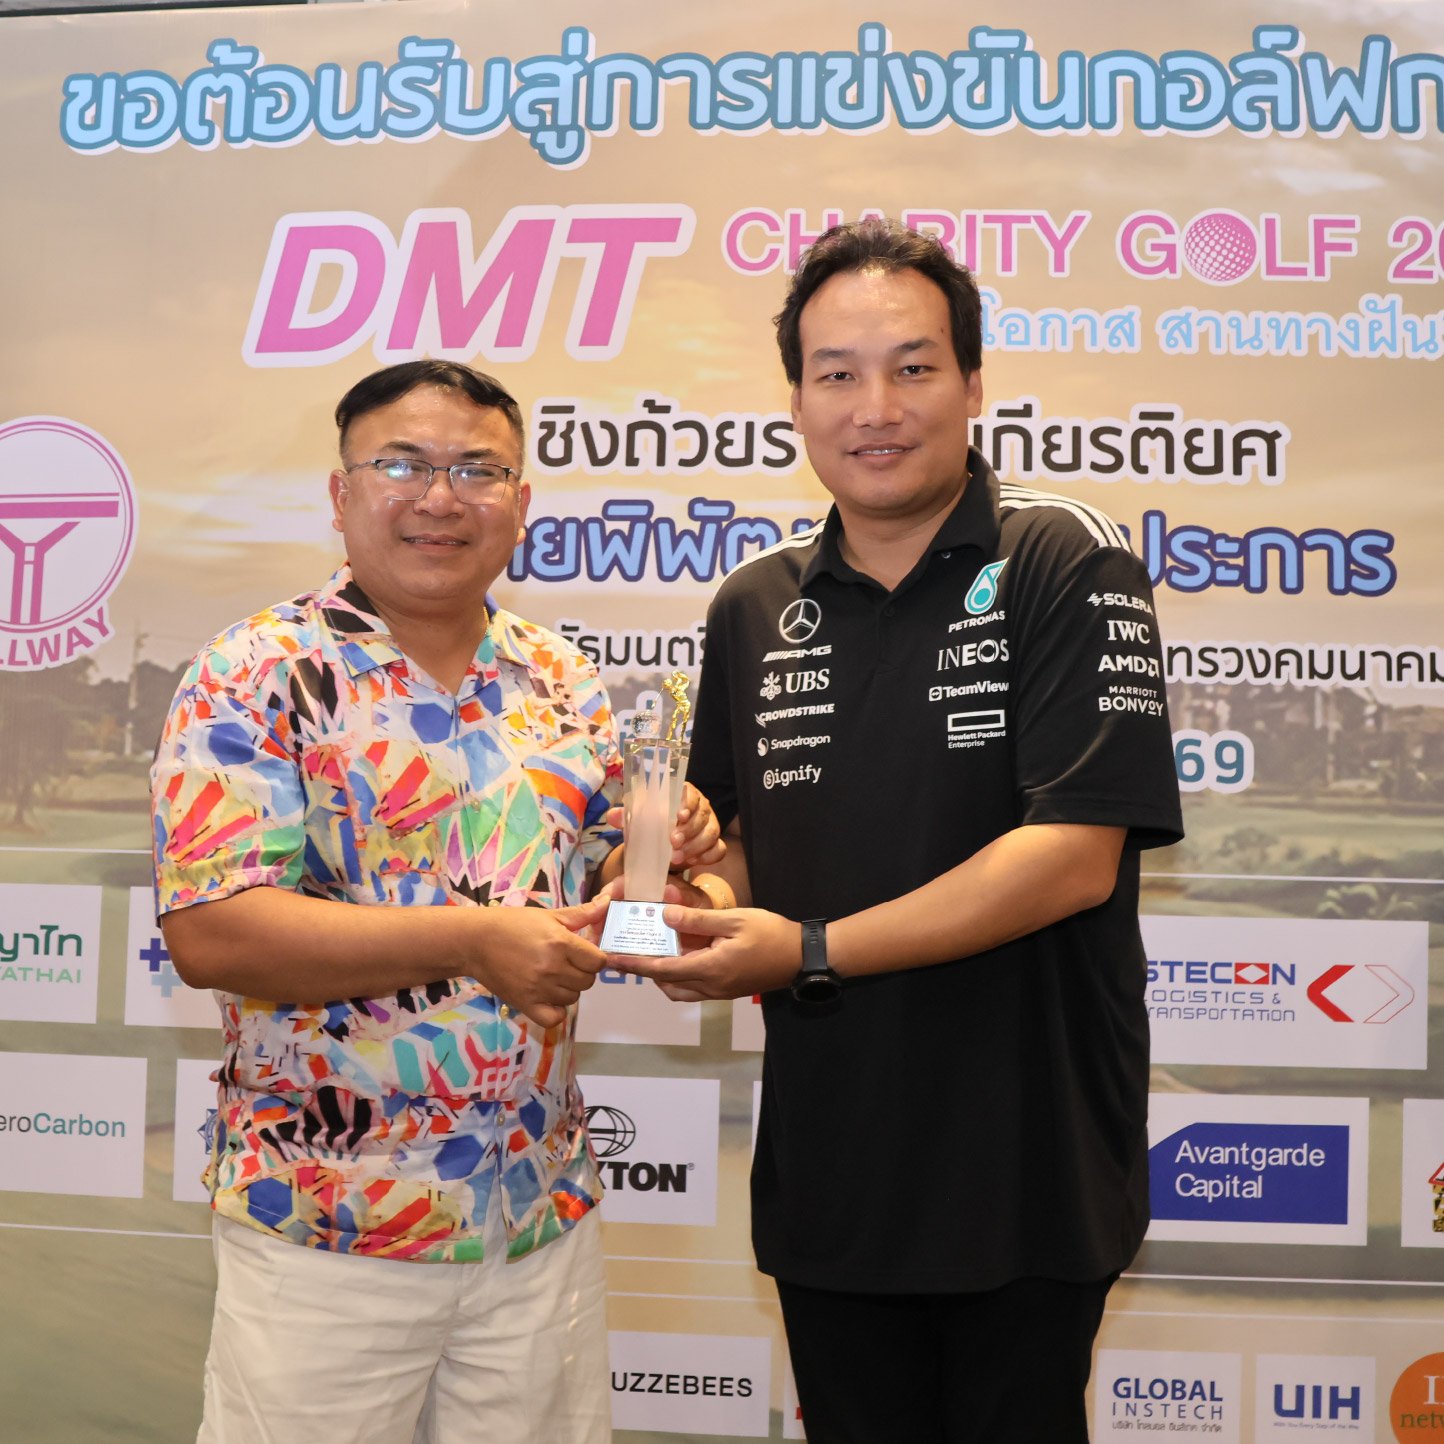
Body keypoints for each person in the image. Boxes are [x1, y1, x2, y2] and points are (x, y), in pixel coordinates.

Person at [619, 219, 1184, 1442]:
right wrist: (686, 908)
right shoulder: (752, 605)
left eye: (913, 367)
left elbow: (1071, 858)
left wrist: (808, 950)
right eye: (837, 374)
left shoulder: (1064, 558)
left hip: (1026, 1167)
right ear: (796, 401)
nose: (874, 407)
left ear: (972, 384)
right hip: (835, 1163)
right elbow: (735, 853)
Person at [151, 360, 724, 1443]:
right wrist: (472, 939)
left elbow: (618, 885)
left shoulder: (561, 679)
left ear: (520, 501)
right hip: (328, 1226)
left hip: (535, 1220)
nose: (440, 497)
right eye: (403, 465)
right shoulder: (255, 671)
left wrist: (673, 854)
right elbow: (214, 932)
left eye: (477, 470)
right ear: (341, 493)